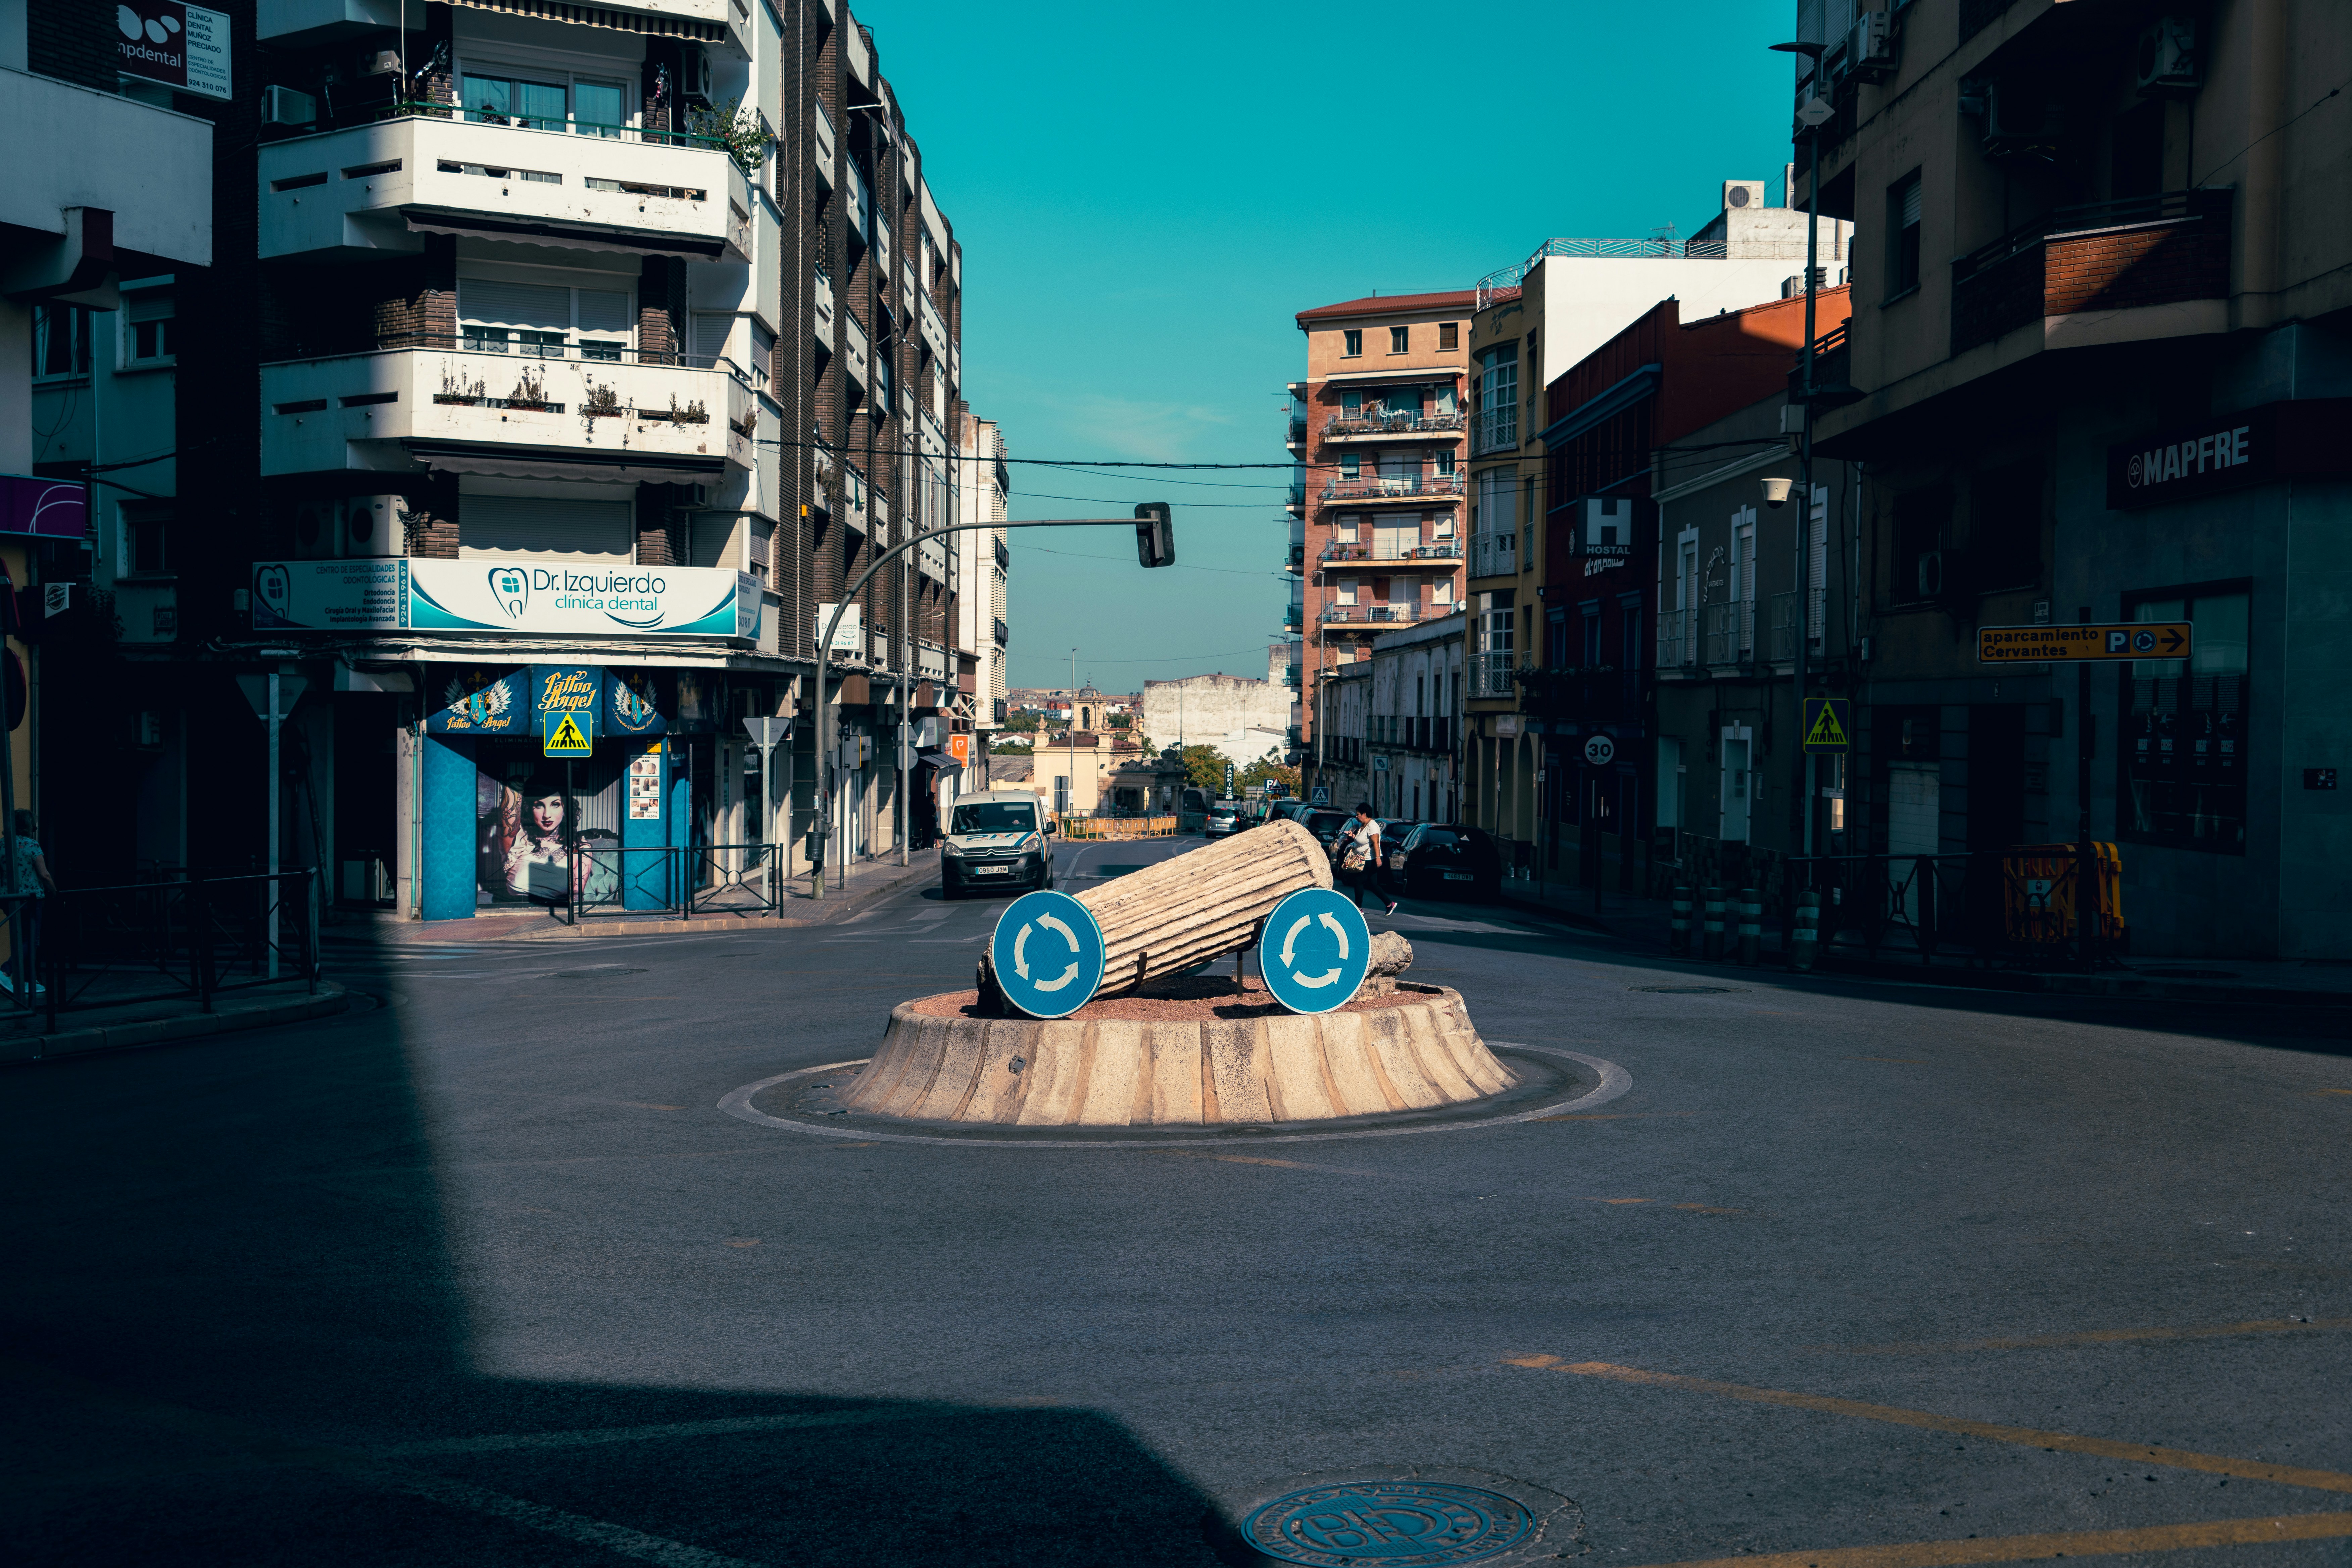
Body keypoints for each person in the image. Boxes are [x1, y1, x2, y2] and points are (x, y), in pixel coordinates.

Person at [5, 810, 55, 995]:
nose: (35, 828)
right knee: (31, 940)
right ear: (28, 827)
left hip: (8, 899)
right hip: (31, 899)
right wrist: (55, 892)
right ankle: (7, 971)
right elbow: (44, 874)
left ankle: (27, 980)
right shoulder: (32, 845)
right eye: (33, 825)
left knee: (19, 937)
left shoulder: (3, 845)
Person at [1341, 802, 1398, 916]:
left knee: (1359, 881)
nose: (1357, 816)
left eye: (1358, 814)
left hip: (1369, 859)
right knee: (1373, 884)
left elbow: (1376, 842)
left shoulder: (1372, 826)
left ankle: (1359, 908)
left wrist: (1378, 858)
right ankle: (1389, 904)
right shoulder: (1363, 826)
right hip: (1364, 858)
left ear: (1365, 814)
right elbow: (1362, 841)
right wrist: (1353, 837)